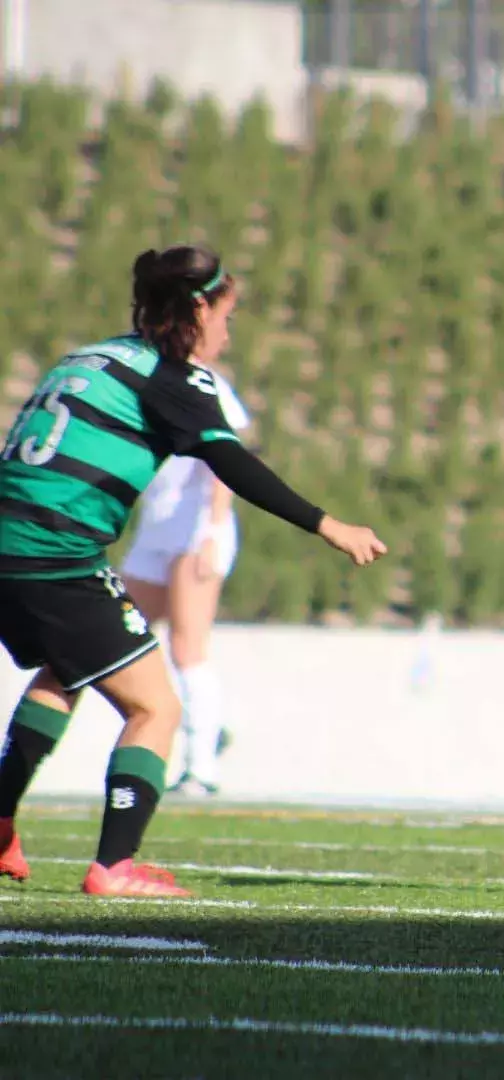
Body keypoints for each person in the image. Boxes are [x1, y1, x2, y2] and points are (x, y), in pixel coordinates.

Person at [0, 246, 386, 898]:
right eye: (227, 315)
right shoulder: (173, 378)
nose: (229, 332)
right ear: (198, 308)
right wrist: (331, 525)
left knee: (66, 669)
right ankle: (114, 867)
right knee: (156, 707)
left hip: (14, 545)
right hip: (55, 555)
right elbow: (232, 464)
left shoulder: (90, 357)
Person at [121, 361, 251, 797]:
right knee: (118, 636)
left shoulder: (206, 383)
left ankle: (201, 768)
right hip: (155, 527)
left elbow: (224, 459)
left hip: (195, 529)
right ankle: (208, 723)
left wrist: (213, 528)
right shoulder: (137, 379)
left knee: (187, 648)